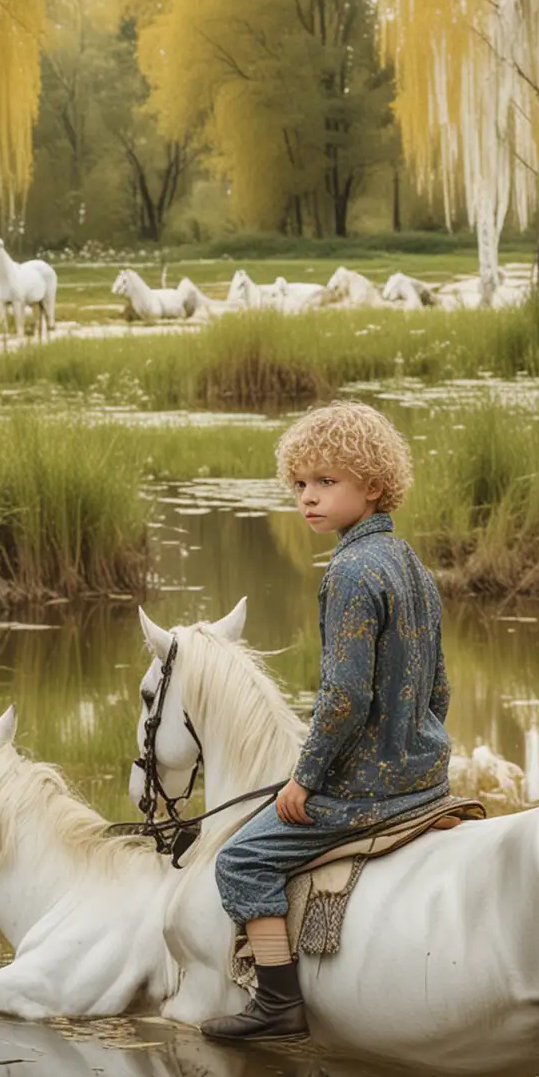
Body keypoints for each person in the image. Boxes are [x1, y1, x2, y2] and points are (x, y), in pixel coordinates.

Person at [202, 400, 452, 1042]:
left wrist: (305, 780)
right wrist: (419, 748)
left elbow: (343, 698)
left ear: (372, 486)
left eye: (325, 482)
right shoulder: (412, 565)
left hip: (366, 789)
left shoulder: (349, 570)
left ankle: (277, 1002)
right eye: (300, 484)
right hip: (426, 776)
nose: (307, 498)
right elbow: (439, 685)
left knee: (240, 859)